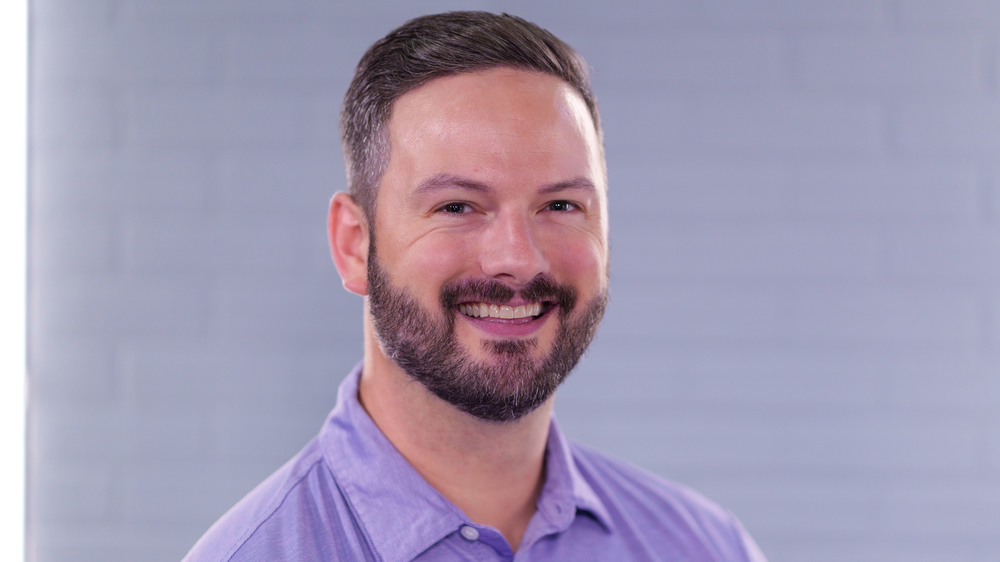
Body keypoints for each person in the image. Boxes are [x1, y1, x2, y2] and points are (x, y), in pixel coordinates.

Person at [185, 11, 767, 561]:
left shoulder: (704, 547)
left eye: (561, 205)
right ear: (355, 245)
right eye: (458, 206)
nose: (518, 259)